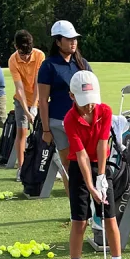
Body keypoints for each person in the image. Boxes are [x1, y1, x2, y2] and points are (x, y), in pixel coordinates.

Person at [63, 70, 130, 259]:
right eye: (84, 103)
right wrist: (91, 186)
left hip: (100, 165)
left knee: (110, 217)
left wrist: (101, 176)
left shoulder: (105, 111)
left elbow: (103, 144)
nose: (89, 106)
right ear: (72, 96)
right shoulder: (69, 119)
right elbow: (81, 155)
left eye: (92, 101)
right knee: (79, 220)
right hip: (78, 167)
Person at [37, 20, 91, 195]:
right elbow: (43, 100)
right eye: (68, 39)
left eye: (75, 38)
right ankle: (76, 209)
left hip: (83, 122)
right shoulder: (48, 65)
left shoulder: (82, 63)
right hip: (59, 122)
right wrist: (45, 130)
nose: (73, 42)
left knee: (87, 162)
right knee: (69, 167)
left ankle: (89, 209)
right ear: (58, 41)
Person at [7, 30, 45, 181]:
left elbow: (38, 83)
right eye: (23, 54)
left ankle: (47, 165)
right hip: (21, 100)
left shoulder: (39, 56)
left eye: (28, 54)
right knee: (22, 132)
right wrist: (27, 112)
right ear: (15, 47)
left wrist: (35, 107)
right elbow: (19, 88)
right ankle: (21, 168)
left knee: (46, 131)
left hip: (40, 97)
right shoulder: (13, 60)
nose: (26, 57)